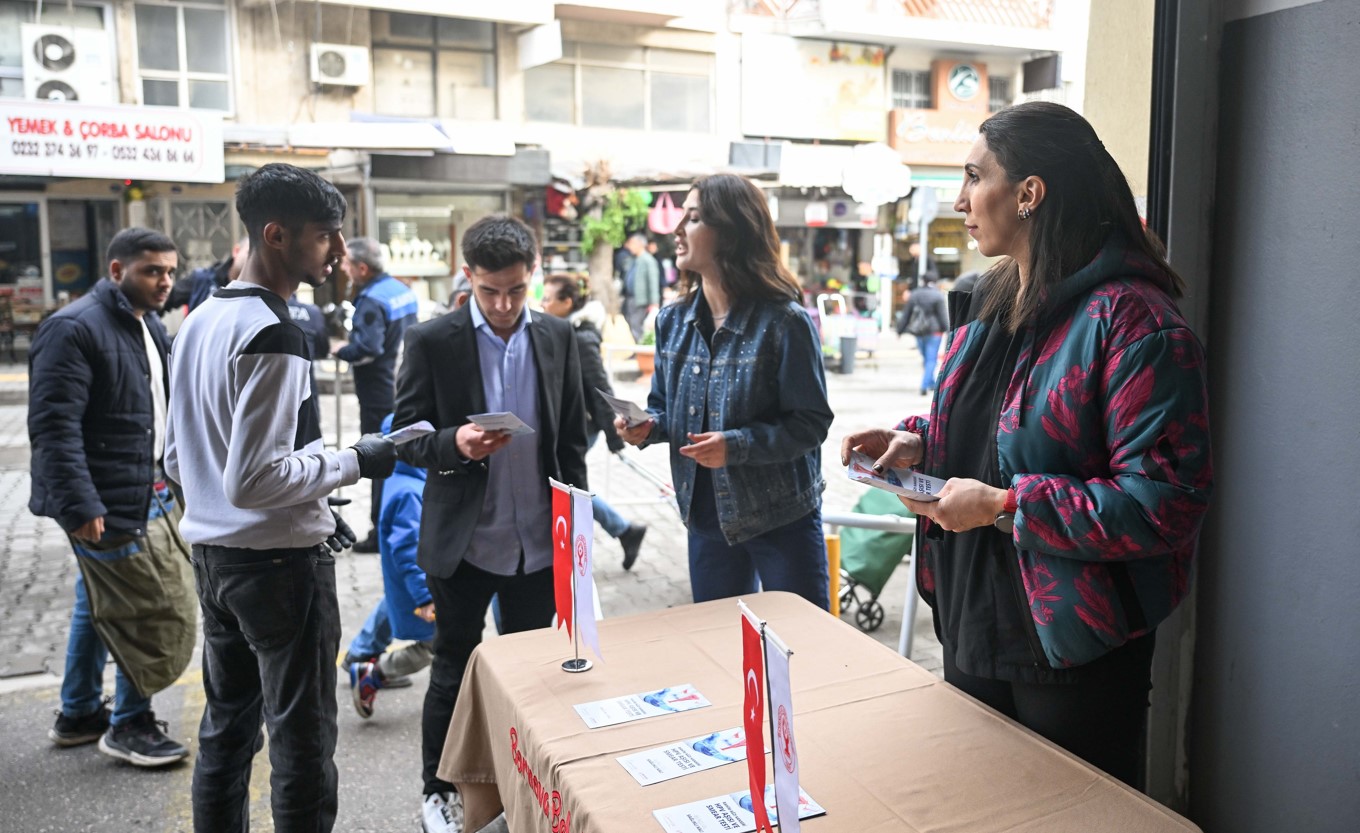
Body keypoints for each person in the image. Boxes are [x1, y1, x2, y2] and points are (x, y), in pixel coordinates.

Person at [840, 102, 1213, 789]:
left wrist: (1007, 507)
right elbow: (996, 431)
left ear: (1030, 193)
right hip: (972, 621)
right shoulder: (991, 297)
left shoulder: (1137, 322)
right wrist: (915, 442)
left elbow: (1165, 505)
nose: (959, 198)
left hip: (1073, 650)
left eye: (974, 175)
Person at [165, 163, 397, 832]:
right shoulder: (278, 331)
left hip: (213, 558)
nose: (337, 252)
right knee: (301, 744)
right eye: (326, 236)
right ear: (275, 235)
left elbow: (179, 458)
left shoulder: (201, 318)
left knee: (227, 730)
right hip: (277, 567)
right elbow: (256, 479)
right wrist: (356, 458)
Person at [393, 215, 588, 833]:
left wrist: (576, 529)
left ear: (532, 276)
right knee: (454, 665)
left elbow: (573, 441)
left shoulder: (559, 337)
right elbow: (407, 437)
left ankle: (520, 785)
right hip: (466, 541)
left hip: (538, 541)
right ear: (468, 279)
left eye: (515, 291)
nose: (503, 306)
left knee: (531, 672)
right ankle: (440, 792)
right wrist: (456, 442)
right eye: (489, 292)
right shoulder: (433, 340)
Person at [616, 174, 833, 610]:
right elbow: (663, 404)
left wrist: (737, 446)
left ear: (732, 232)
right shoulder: (671, 321)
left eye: (693, 218)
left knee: (804, 645)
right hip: (706, 516)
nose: (677, 230)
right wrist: (648, 426)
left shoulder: (784, 322)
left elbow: (810, 424)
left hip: (782, 515)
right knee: (719, 646)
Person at [29, 227, 193, 767]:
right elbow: (54, 429)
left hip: (148, 488)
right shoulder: (74, 328)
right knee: (145, 608)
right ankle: (130, 723)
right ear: (117, 270)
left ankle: (78, 712)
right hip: (108, 499)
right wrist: (80, 506)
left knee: (95, 602)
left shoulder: (146, 326)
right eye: (152, 270)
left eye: (170, 271)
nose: (164, 280)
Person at [541, 274, 648, 569]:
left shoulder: (580, 336)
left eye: (548, 298)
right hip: (562, 426)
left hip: (579, 428)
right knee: (564, 486)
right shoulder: (562, 330)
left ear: (566, 303)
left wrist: (615, 435)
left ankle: (620, 531)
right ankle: (624, 530)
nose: (543, 303)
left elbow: (600, 389)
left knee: (564, 487)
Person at [348, 413, 436, 719]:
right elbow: (408, 548)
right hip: (418, 587)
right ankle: (373, 673)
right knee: (433, 644)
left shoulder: (398, 478)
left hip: (407, 583)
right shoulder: (410, 491)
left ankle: (361, 655)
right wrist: (425, 596)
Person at [336, 237, 419, 552]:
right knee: (404, 458)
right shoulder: (401, 291)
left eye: (346, 264)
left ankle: (379, 531)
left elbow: (367, 349)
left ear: (362, 267)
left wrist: (340, 349)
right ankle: (403, 522)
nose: (342, 269)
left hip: (378, 394)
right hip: (404, 387)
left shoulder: (372, 300)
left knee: (378, 459)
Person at [895, 272, 948, 395]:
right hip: (935, 332)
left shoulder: (915, 294)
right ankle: (924, 386)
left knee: (926, 358)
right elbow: (943, 316)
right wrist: (949, 330)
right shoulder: (938, 295)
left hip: (918, 332)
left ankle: (931, 383)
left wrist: (900, 330)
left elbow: (906, 314)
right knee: (931, 360)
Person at [620, 231, 660, 341]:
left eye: (632, 243)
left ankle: (639, 349)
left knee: (636, 325)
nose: (630, 246)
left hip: (641, 300)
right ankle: (635, 348)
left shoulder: (648, 260)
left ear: (640, 244)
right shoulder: (632, 259)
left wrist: (654, 302)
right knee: (631, 324)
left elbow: (653, 282)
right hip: (630, 298)